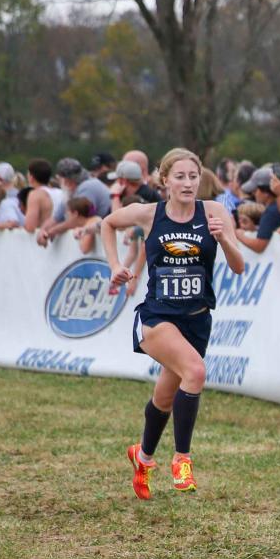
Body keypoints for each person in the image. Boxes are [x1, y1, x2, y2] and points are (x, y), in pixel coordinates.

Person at [102, 148, 245, 500]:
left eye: (193, 177)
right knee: (195, 372)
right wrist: (115, 265)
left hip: (197, 321)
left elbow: (239, 266)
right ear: (164, 180)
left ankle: (143, 456)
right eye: (179, 177)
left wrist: (224, 239)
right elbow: (107, 223)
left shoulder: (215, 212)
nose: (187, 183)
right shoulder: (149, 213)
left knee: (166, 397)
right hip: (158, 317)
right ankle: (182, 459)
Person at [236, 166, 280, 254]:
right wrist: (255, 229)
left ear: (266, 192)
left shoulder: (270, 212)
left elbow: (259, 246)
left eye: (255, 191)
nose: (253, 194)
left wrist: (239, 235)